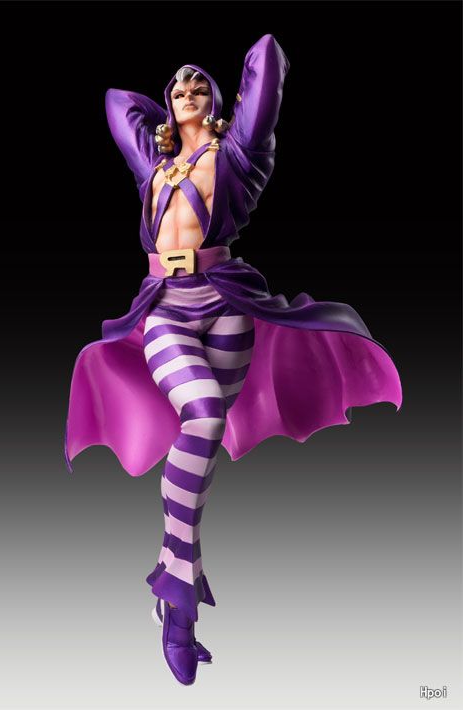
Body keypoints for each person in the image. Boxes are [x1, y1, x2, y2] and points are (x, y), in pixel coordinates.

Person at [64, 34, 403, 685]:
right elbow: (114, 102)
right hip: (165, 309)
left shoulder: (240, 157)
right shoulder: (153, 168)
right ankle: (178, 596)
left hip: (225, 306)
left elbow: (267, 59)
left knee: (202, 439)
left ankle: (175, 599)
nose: (187, 90)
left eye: (200, 85)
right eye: (177, 87)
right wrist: (167, 121)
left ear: (219, 105)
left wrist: (220, 111)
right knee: (204, 415)